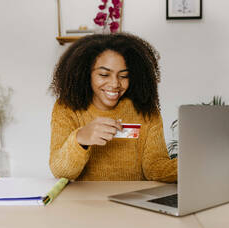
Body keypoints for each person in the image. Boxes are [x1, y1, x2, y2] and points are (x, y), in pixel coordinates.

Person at [49, 33, 177, 182]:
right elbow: (61, 172)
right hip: (85, 202)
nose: (115, 84)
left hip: (132, 201)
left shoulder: (145, 110)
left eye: (123, 76)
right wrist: (80, 139)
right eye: (104, 74)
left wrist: (192, 166)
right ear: (85, 73)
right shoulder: (67, 108)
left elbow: (155, 169)